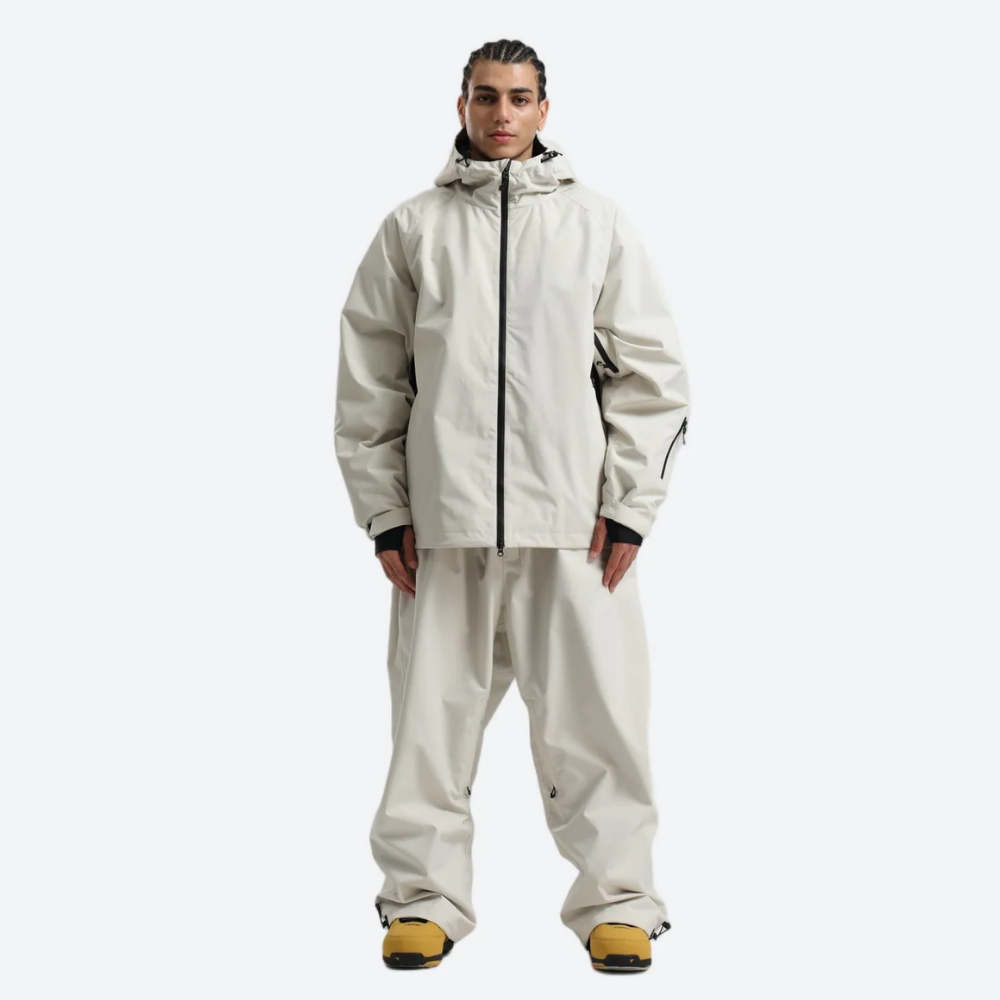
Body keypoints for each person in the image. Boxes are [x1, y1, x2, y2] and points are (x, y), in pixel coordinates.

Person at [334, 38, 691, 973]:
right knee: (428, 726)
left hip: (574, 530)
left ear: (543, 109)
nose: (502, 114)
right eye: (486, 97)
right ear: (460, 104)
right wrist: (385, 512)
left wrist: (629, 508)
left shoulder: (595, 224)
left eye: (519, 98)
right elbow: (371, 383)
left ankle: (619, 901)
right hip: (443, 526)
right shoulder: (413, 229)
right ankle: (422, 900)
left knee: (597, 723)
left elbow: (652, 377)